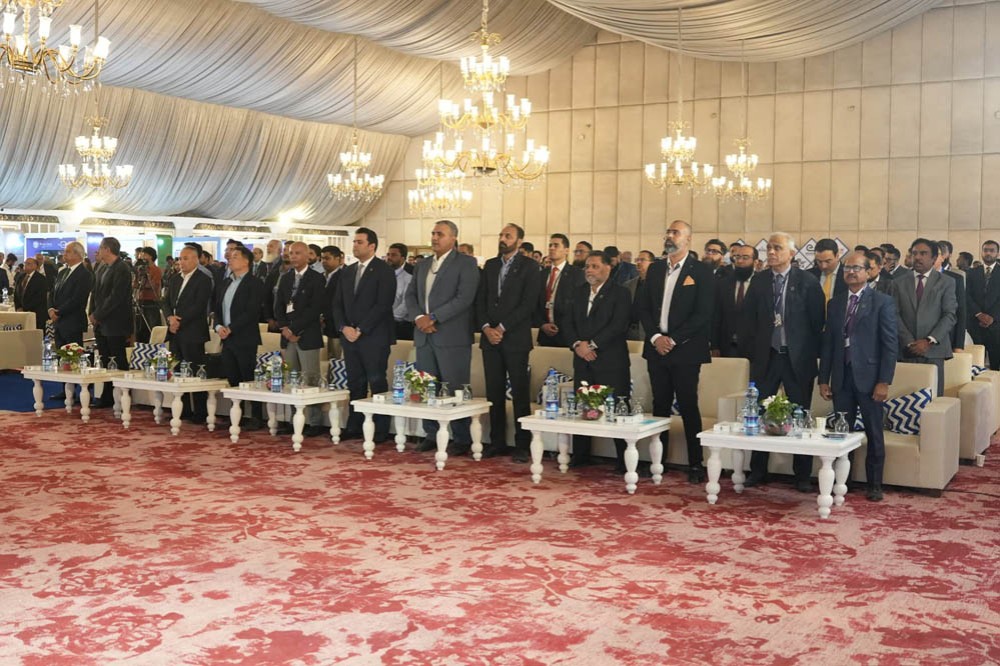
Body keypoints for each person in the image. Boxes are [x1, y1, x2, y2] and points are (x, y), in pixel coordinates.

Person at [743, 232, 825, 491]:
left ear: (791, 253)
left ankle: (802, 475)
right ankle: (758, 469)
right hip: (766, 357)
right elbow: (748, 319)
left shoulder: (807, 281)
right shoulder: (759, 281)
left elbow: (817, 322)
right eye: (769, 247)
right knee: (760, 413)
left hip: (796, 358)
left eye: (777, 248)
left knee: (800, 414)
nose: (771, 252)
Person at [637, 220, 715, 483]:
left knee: (688, 405)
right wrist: (656, 337)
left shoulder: (701, 271)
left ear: (688, 240)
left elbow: (703, 314)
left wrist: (672, 340)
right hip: (656, 348)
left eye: (676, 232)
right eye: (668, 232)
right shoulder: (656, 268)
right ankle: (658, 460)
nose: (670, 236)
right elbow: (644, 308)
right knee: (659, 404)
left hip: (686, 350)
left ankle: (695, 463)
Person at [819, 251, 898, 502]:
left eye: (856, 268)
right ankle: (845, 480)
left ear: (868, 272)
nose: (851, 272)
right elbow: (829, 343)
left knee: (874, 432)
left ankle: (874, 484)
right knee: (843, 433)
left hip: (870, 378)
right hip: (842, 377)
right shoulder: (835, 303)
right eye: (847, 268)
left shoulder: (882, 302)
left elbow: (890, 344)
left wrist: (884, 381)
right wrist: (823, 378)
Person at [404, 220, 480, 452]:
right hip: (424, 335)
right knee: (427, 386)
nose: (435, 237)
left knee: (455, 387)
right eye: (433, 233)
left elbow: (464, 298)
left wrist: (434, 317)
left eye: (440, 234)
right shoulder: (423, 264)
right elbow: (410, 295)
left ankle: (461, 438)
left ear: (453, 238)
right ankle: (431, 433)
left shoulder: (466, 263)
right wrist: (419, 318)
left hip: (451, 336)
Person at [476, 224, 541, 462]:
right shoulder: (491, 265)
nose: (503, 239)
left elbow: (528, 304)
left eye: (508, 236)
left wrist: (501, 328)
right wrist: (486, 328)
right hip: (489, 339)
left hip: (515, 338)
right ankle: (497, 442)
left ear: (519, 241)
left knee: (519, 393)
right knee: (494, 392)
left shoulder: (530, 266)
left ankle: (522, 444)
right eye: (501, 235)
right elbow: (480, 300)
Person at [562, 251, 632, 471]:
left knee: (616, 408)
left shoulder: (620, 293)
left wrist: (592, 345)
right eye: (587, 267)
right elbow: (566, 322)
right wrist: (577, 345)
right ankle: (581, 455)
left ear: (608, 268)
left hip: (611, 361)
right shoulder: (578, 292)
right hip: (583, 360)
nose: (589, 270)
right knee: (584, 407)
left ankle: (623, 459)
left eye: (595, 266)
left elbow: (619, 324)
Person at [333, 228, 396, 443]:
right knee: (355, 382)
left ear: (372, 246)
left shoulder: (384, 270)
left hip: (374, 336)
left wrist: (361, 329)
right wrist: (344, 327)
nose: (355, 245)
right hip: (349, 336)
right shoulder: (348, 271)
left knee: (376, 381)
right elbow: (337, 303)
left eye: (359, 242)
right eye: (354, 242)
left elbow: (383, 304)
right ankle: (355, 425)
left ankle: (380, 428)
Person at [888, 239, 956, 396]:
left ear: (934, 258)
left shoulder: (946, 282)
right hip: (907, 350)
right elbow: (894, 314)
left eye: (923, 253)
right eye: (914, 253)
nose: (917, 257)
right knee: (904, 398)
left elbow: (950, 315)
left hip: (934, 350)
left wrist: (929, 340)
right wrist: (909, 341)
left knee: (933, 400)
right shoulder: (898, 282)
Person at [274, 241, 327, 436]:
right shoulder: (286, 277)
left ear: (307, 256)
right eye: (291, 253)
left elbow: (315, 308)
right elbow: (278, 305)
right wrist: (284, 327)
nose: (294, 256)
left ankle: (314, 421)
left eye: (297, 253)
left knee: (310, 378)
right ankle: (293, 420)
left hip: (307, 335)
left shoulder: (316, 278)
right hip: (288, 336)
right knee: (291, 379)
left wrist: (295, 328)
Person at [216, 245, 265, 428]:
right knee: (232, 377)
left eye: (235, 256)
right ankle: (237, 415)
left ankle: (257, 416)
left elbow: (251, 312)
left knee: (248, 377)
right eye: (230, 256)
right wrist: (218, 326)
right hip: (227, 338)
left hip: (244, 337)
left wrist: (231, 328)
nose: (230, 259)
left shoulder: (254, 283)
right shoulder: (227, 282)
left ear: (246, 261)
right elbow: (217, 307)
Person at [162, 246, 212, 423]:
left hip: (193, 331)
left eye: (185, 258)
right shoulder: (175, 279)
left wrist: (179, 321)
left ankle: (200, 411)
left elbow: (199, 306)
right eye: (180, 259)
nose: (181, 262)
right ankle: (182, 408)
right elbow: (165, 302)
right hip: (175, 332)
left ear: (196, 259)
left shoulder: (203, 280)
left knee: (195, 371)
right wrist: (170, 318)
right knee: (178, 370)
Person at [89, 237, 133, 408]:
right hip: (100, 321)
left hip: (115, 320)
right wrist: (92, 313)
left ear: (108, 249)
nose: (98, 251)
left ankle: (125, 394)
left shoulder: (122, 268)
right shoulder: (102, 267)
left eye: (100, 248)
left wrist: (99, 314)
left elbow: (116, 297)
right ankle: (106, 395)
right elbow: (95, 292)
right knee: (105, 358)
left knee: (118, 358)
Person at [535, 233, 584, 348]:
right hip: (545, 335)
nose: (551, 248)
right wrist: (542, 324)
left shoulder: (576, 274)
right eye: (550, 245)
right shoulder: (541, 274)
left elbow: (579, 306)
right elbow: (534, 304)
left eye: (556, 245)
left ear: (566, 250)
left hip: (567, 336)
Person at [711, 243, 757, 358]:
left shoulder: (762, 284)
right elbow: (716, 316)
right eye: (737, 257)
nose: (740, 261)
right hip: (726, 347)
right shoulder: (723, 284)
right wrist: (715, 346)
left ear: (755, 262)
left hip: (754, 347)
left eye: (745, 257)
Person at [966, 240, 1000, 370]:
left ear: (997, 253)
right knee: (975, 364)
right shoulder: (971, 272)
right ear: (982, 252)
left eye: (992, 250)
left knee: (996, 363)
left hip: (996, 324)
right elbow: (966, 295)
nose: (988, 253)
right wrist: (979, 314)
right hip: (975, 323)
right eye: (985, 250)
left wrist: (992, 317)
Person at [133, 246, 163, 343]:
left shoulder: (156, 270)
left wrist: (146, 277)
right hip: (140, 302)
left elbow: (153, 285)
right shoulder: (140, 269)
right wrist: (138, 275)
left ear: (151, 256)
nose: (142, 256)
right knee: (140, 329)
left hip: (151, 303)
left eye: (144, 254)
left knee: (152, 329)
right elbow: (135, 285)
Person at [624, 250, 655, 341]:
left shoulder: (658, 285)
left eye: (642, 260)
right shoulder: (628, 285)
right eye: (637, 260)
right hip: (628, 330)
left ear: (652, 263)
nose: (638, 263)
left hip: (647, 331)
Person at [320, 245, 344, 360]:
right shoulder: (320, 277)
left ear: (338, 259)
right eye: (322, 258)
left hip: (335, 325)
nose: (324, 261)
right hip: (319, 325)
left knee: (335, 358)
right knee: (322, 359)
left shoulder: (344, 277)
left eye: (327, 258)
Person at [386, 242, 413, 341]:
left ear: (403, 258)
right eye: (388, 254)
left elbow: (407, 303)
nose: (389, 257)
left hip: (401, 324)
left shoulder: (411, 274)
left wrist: (390, 317)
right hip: (383, 322)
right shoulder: (384, 273)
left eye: (393, 255)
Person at [808, 238, 846, 307]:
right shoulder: (809, 275)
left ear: (837, 256)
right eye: (819, 261)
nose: (823, 266)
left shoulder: (848, 275)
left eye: (828, 261)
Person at [14, 257, 48, 330]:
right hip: (21, 313)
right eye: (25, 263)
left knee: (34, 334)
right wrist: (18, 307)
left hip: (36, 314)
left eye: (28, 264)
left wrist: (25, 308)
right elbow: (16, 294)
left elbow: (40, 297)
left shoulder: (41, 279)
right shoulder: (21, 277)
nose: (25, 265)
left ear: (34, 266)